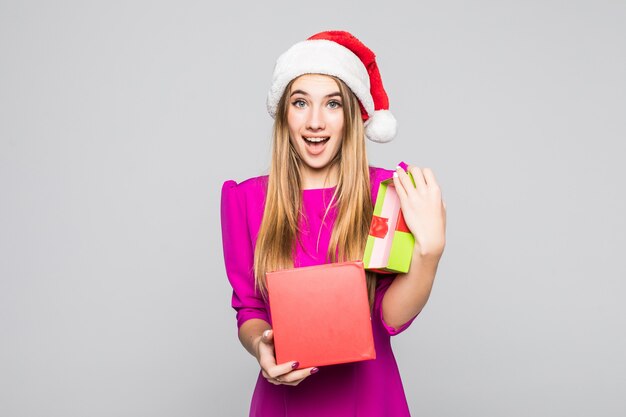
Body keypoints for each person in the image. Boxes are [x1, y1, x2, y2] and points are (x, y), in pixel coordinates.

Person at [220, 30, 446, 417]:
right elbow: (250, 310)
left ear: (352, 115)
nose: (314, 122)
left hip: (370, 399)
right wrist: (261, 345)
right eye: (300, 102)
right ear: (284, 114)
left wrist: (429, 254)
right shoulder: (246, 201)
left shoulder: (387, 193)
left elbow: (388, 318)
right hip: (285, 403)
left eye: (332, 104)